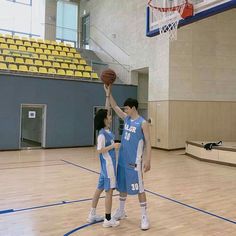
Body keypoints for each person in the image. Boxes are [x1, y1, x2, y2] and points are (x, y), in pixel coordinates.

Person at [104, 85, 152, 230]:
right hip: (123, 160)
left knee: (140, 189)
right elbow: (114, 105)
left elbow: (148, 142)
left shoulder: (143, 123)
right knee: (122, 186)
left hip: (135, 162)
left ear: (133, 108)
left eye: (126, 108)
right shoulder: (127, 119)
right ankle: (121, 210)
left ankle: (144, 216)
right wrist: (108, 92)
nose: (124, 110)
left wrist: (148, 160)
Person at [87, 96, 120, 228]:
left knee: (98, 190)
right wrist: (113, 146)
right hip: (108, 167)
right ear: (105, 120)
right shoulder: (101, 134)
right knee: (109, 192)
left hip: (105, 169)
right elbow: (99, 150)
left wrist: (107, 94)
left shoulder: (107, 131)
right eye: (109, 116)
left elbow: (106, 109)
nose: (111, 117)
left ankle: (92, 214)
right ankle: (108, 219)